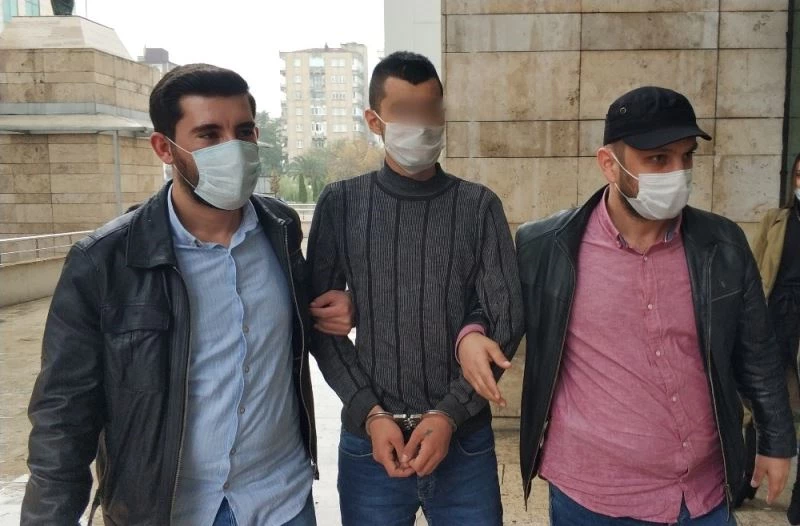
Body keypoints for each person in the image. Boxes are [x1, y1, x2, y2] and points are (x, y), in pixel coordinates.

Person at [21, 63, 354, 526]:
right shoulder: (104, 261)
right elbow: (63, 414)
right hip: (167, 510)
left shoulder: (280, 230)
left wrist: (350, 307)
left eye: (243, 132)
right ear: (164, 148)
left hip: (282, 500)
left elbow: (309, 318)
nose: (232, 148)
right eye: (209, 135)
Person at [459, 86, 797, 525]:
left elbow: (757, 353)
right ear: (608, 164)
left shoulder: (723, 245)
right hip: (590, 498)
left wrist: (776, 439)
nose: (678, 172)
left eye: (686, 157)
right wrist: (471, 334)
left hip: (701, 495)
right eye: (658, 159)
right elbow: (494, 306)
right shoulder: (546, 246)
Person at [306, 51, 524, 526]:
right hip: (371, 444)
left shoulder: (478, 206)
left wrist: (450, 413)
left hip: (463, 442)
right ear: (375, 120)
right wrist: (369, 411)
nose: (421, 125)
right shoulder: (342, 204)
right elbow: (320, 324)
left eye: (431, 110)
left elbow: (505, 316)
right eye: (405, 112)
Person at [750, 152, 800, 523]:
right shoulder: (776, 219)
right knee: (760, 395)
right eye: (799, 174)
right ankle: (742, 479)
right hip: (777, 313)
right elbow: (755, 269)